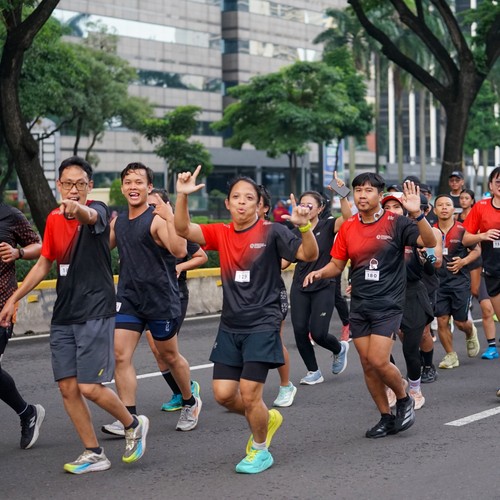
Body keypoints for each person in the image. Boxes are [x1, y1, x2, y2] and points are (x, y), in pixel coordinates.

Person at [0, 156, 149, 474]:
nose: (73, 189)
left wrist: (77, 208)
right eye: (67, 183)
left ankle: (133, 423)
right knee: (67, 387)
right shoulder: (54, 219)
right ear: (58, 184)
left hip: (95, 309)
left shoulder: (99, 210)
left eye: (80, 184)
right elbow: (44, 263)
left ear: (89, 186)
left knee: (89, 386)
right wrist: (14, 298)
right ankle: (94, 452)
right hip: (64, 313)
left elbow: (89, 215)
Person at [174, 165, 318, 474]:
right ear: (227, 203)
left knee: (251, 394)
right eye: (236, 197)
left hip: (263, 323)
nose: (242, 202)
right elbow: (183, 229)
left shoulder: (272, 231)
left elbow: (309, 255)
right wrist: (182, 196)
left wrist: (305, 228)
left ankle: (261, 450)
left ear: (259, 205)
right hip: (230, 325)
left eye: (249, 198)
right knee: (224, 396)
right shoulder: (221, 233)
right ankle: (265, 418)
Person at [303, 174, 436, 439]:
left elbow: (429, 242)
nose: (362, 195)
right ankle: (385, 417)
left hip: (388, 304)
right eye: (358, 190)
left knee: (378, 359)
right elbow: (337, 264)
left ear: (379, 194)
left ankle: (404, 398)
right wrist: (320, 272)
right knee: (367, 364)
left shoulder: (397, 223)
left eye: (368, 190)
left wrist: (417, 215)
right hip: (360, 304)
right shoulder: (349, 227)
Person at [102, 163, 201, 437]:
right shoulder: (119, 222)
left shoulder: (156, 219)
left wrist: (170, 217)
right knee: (120, 355)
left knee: (169, 356)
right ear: (122, 187)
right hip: (129, 299)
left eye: (139, 182)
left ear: (149, 187)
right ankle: (129, 418)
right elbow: (98, 248)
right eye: (128, 182)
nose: (133, 187)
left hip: (160, 299)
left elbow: (179, 250)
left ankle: (190, 401)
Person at [286, 176, 351, 385]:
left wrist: (342, 193)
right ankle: (313, 371)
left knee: (318, 332)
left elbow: (348, 218)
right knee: (300, 331)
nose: (305, 208)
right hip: (300, 286)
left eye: (309, 205)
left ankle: (339, 348)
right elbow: (284, 261)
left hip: (324, 285)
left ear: (320, 208)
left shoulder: (329, 225)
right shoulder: (294, 231)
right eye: (302, 204)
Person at [148, 188, 207, 412]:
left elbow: (201, 256)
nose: (151, 210)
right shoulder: (144, 228)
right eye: (148, 206)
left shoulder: (176, 229)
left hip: (175, 294)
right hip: (150, 296)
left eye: (155, 206)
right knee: (156, 350)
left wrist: (180, 266)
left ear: (167, 206)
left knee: (165, 350)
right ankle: (179, 392)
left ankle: (188, 391)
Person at [381, 193, 440, 410]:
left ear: (404, 211)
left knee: (410, 349)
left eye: (396, 206)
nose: (392, 210)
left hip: (412, 295)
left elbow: (431, 268)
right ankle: (394, 384)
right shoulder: (377, 235)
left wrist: (426, 257)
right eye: (387, 207)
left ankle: (415, 388)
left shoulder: (413, 233)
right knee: (381, 350)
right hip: (385, 295)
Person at [0, 204, 44, 449]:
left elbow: (39, 247)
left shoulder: (9, 215)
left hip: (2, 305)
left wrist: (18, 252)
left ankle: (28, 413)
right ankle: (27, 412)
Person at [257, 185, 297, 408]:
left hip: (272, 294)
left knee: (274, 339)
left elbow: (286, 260)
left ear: (265, 208)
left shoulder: (274, 231)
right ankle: (249, 389)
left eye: (254, 201)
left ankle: (285, 385)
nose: (245, 205)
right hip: (244, 297)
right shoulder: (233, 232)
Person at [462, 166, 500, 393]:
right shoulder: (481, 207)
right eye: (498, 181)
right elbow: (465, 238)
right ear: (491, 185)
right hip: (494, 272)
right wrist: (482, 235)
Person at [433, 194, 480, 369]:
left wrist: (463, 261)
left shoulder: (462, 230)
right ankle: (450, 355)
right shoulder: (431, 230)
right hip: (438, 283)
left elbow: (476, 251)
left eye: (448, 204)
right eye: (440, 205)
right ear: (435, 210)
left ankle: (470, 331)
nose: (444, 208)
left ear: (454, 209)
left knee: (460, 322)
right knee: (442, 319)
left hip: (459, 282)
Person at [458, 189, 497, 359]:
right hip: (485, 267)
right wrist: (482, 236)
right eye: (461, 198)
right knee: (484, 305)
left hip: (479, 263)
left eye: (467, 198)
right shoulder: (477, 211)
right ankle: (492, 345)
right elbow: (465, 240)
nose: (463, 201)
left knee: (486, 306)